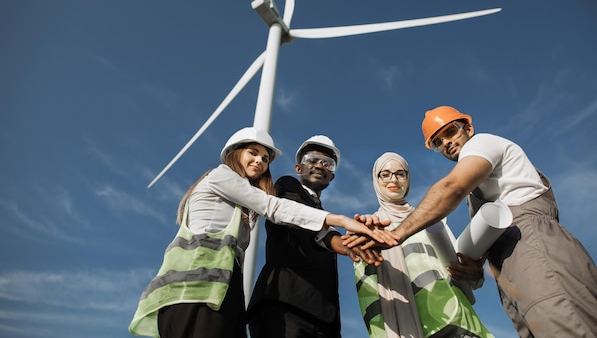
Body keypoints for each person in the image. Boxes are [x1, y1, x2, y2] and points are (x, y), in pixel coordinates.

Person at [347, 106, 597, 338]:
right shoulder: (479, 198)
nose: (446, 144)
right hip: (512, 273)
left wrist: (397, 234)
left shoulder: (482, 144)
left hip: (534, 246)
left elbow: (452, 187)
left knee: (568, 326)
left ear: (468, 127)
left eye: (450, 132)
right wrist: (473, 268)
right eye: (438, 142)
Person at [128, 127, 396, 338]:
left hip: (224, 291)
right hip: (193, 289)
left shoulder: (244, 203)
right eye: (252, 152)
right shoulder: (220, 176)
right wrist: (341, 221)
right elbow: (275, 207)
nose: (260, 160)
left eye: (265, 158)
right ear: (235, 152)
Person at [248, 135, 380, 338]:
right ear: (298, 168)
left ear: (332, 176)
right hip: (284, 308)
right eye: (312, 159)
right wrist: (344, 242)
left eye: (328, 163)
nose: (320, 165)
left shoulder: (326, 216)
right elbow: (301, 218)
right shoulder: (286, 187)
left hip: (324, 320)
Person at [353, 151, 494, 338]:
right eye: (385, 174)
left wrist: (475, 274)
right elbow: (369, 289)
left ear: (408, 178)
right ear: (376, 180)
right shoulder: (370, 227)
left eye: (400, 173)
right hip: (410, 325)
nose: (393, 179)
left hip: (457, 319)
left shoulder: (434, 222)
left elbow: (464, 272)